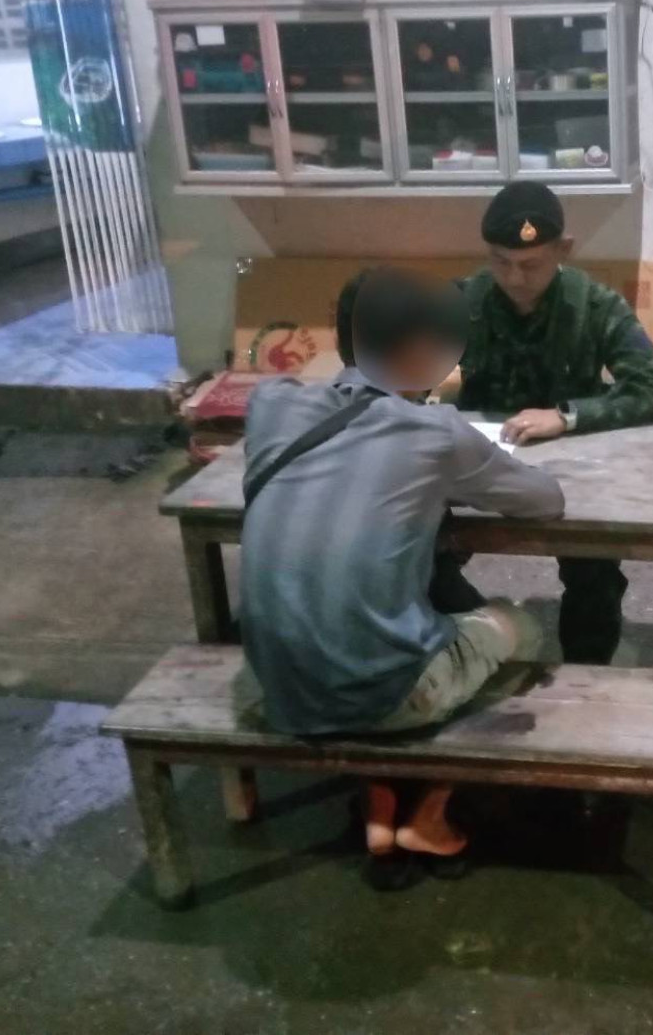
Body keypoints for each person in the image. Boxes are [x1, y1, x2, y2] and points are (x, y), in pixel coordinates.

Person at [240, 266, 565, 877]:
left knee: (394, 603)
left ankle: (380, 798)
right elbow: (545, 500)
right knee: (522, 629)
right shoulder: (435, 430)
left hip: (276, 684)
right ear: (422, 347)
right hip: (380, 696)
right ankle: (429, 812)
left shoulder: (271, 405)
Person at [434, 181, 653, 665]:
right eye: (500, 261)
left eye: (530, 264)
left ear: (563, 250)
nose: (514, 277)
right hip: (478, 464)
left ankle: (586, 674)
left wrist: (568, 417)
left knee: (595, 570)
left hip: (574, 471)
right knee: (419, 553)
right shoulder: (461, 302)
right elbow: (402, 379)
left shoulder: (593, 306)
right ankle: (467, 645)